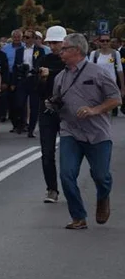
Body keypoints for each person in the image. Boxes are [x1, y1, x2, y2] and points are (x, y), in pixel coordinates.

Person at [53, 33, 121, 229]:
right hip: (70, 132)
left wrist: (95, 110)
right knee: (66, 174)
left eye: (64, 48)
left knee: (101, 176)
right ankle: (78, 216)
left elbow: (116, 98)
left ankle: (103, 197)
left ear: (76, 50)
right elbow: (57, 99)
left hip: (97, 133)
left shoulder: (98, 73)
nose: (61, 52)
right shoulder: (60, 77)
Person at [36, 26, 68, 203]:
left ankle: (70, 186)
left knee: (69, 151)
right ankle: (51, 189)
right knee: (47, 152)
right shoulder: (44, 59)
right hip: (47, 109)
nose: (53, 46)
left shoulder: (70, 61)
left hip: (67, 110)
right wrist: (41, 79)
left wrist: (52, 74)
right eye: (51, 43)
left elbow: (70, 76)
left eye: (56, 42)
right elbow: (38, 90)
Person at [89, 32, 124, 116]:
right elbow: (89, 69)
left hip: (111, 82)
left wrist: (123, 87)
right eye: (102, 41)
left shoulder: (115, 53)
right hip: (97, 82)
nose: (105, 43)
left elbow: (119, 69)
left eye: (107, 41)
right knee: (99, 102)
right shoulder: (94, 54)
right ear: (99, 42)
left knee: (112, 103)